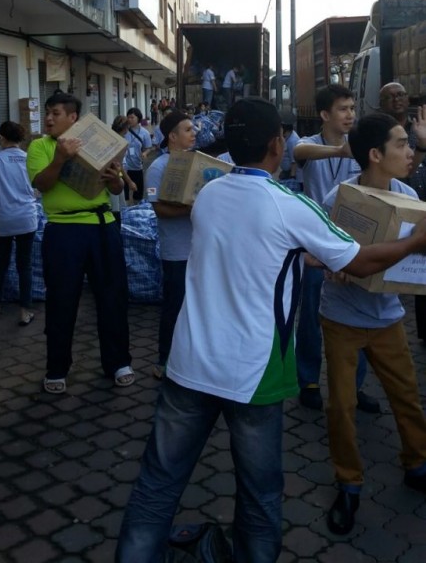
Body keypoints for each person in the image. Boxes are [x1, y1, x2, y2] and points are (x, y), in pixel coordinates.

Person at [115, 97, 426, 563]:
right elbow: (360, 261)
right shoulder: (291, 206)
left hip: (188, 366)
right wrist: (419, 240)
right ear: (278, 144)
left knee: (156, 486)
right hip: (252, 375)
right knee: (259, 497)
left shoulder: (210, 195)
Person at [321, 112, 426, 535]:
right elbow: (315, 252)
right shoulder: (338, 198)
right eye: (402, 144)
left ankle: (416, 462)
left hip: (388, 318)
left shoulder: (409, 197)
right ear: (375, 154)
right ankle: (348, 484)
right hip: (342, 318)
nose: (410, 152)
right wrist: (332, 266)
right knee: (342, 407)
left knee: (406, 396)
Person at [26, 92, 134, 394]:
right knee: (62, 301)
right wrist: (61, 158)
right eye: (48, 113)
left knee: (112, 298)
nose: (49, 118)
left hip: (103, 227)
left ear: (74, 118)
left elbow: (115, 187)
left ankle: (118, 362)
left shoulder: (96, 142)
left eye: (56, 113)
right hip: (64, 231)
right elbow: (42, 185)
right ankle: (57, 367)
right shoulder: (39, 147)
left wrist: (115, 180)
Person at [294, 84, 378, 413]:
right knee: (312, 314)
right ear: (325, 115)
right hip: (315, 246)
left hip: (352, 245)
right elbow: (300, 153)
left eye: (353, 109)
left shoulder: (362, 146)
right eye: (343, 109)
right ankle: (309, 381)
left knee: (355, 313)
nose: (351, 115)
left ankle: (354, 388)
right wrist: (339, 152)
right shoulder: (310, 144)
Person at [145, 110, 196, 380]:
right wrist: (191, 210)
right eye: (188, 130)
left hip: (201, 250)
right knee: (174, 307)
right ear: (172, 136)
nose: (194, 134)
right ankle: (165, 359)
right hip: (176, 251)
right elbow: (158, 209)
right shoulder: (158, 168)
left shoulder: (198, 164)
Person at [0, 121, 37, 326]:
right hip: (27, 218)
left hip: (2, 220)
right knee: (24, 266)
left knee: (1, 264)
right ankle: (25, 312)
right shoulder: (30, 159)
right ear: (21, 138)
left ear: (2, 138)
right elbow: (38, 189)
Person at [379, 82, 426, 341]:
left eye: (401, 95)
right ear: (381, 102)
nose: (397, 100)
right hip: (398, 205)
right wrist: (421, 146)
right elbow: (403, 174)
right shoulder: (380, 132)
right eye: (390, 97)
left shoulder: (418, 125)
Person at [109, 116, 137, 225]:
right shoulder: (118, 142)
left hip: (116, 176)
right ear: (125, 128)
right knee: (116, 208)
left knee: (119, 206)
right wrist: (130, 181)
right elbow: (118, 165)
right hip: (114, 177)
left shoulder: (113, 138)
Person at [123, 107, 152, 202]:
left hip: (137, 167)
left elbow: (148, 147)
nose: (130, 120)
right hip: (124, 168)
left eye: (132, 117)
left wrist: (145, 153)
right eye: (128, 117)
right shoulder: (123, 131)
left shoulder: (145, 133)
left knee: (138, 194)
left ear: (138, 118)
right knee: (124, 194)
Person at [278, 108, 303, 193]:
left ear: (284, 128)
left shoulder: (293, 140)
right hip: (287, 173)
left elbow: (294, 161)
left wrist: (292, 178)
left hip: (293, 175)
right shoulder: (287, 138)